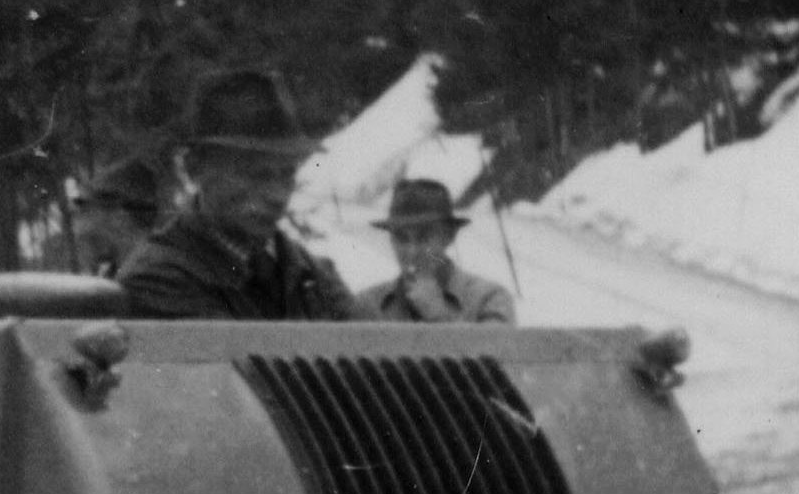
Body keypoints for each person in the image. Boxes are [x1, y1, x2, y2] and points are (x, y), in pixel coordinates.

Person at [115, 67, 357, 322]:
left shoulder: (312, 276)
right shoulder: (157, 279)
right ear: (195, 167)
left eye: (286, 174)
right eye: (255, 174)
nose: (276, 195)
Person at [363, 175, 517, 324]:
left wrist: (439, 315)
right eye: (402, 238)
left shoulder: (488, 299)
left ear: (449, 237)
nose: (412, 251)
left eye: (424, 238)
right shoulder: (368, 307)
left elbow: (494, 350)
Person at [69, 156, 164, 279]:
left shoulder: (150, 277)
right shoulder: (123, 273)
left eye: (84, 209)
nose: (79, 227)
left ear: (118, 215)